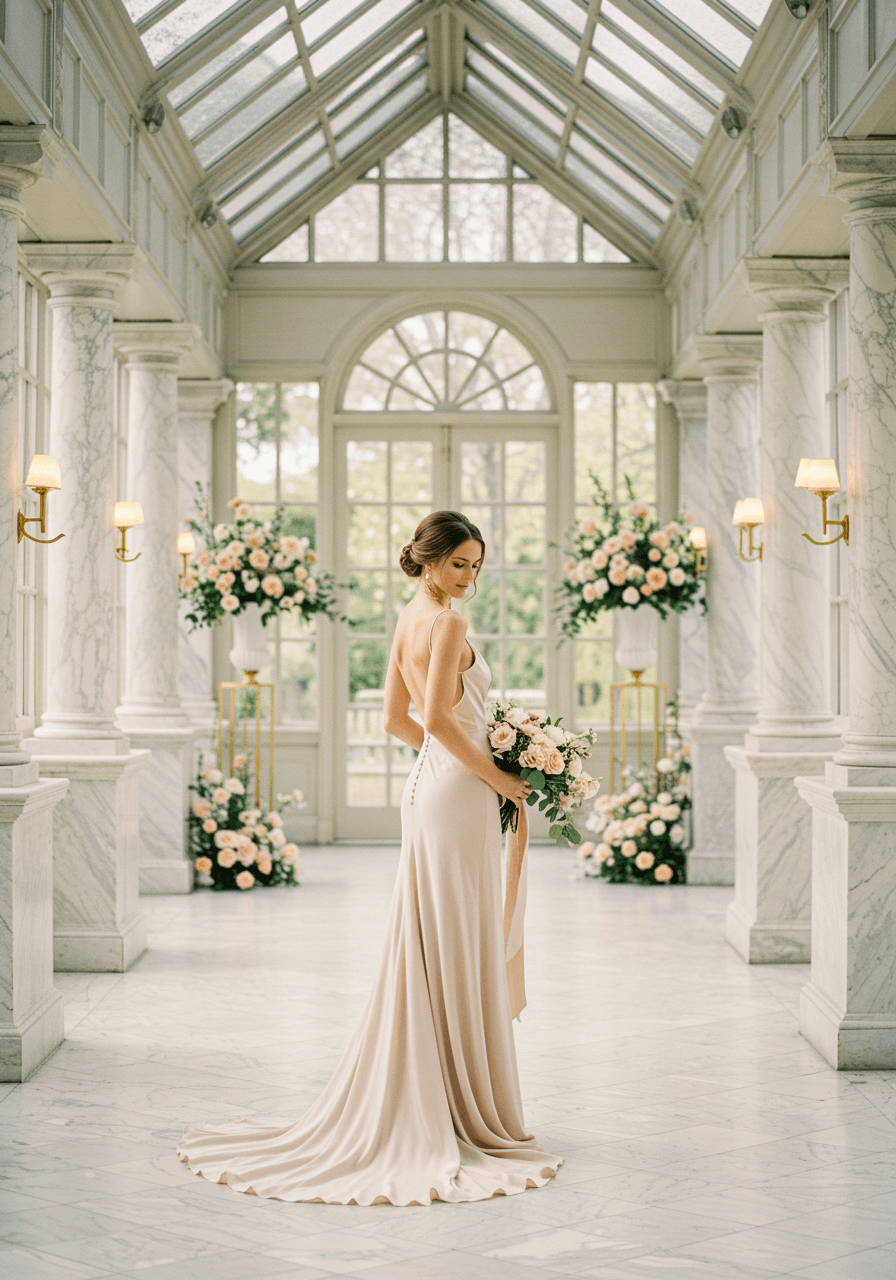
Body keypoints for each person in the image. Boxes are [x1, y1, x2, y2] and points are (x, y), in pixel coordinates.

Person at [177, 510, 561, 1205]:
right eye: (458, 564)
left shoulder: (408, 616)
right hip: (459, 789)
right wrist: (498, 775)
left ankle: (437, 1090)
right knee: (457, 937)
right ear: (428, 559)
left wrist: (455, 765)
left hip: (429, 788)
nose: (468, 576)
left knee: (435, 937)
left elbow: (396, 720)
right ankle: (455, 1104)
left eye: (476, 564)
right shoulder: (446, 623)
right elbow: (441, 720)